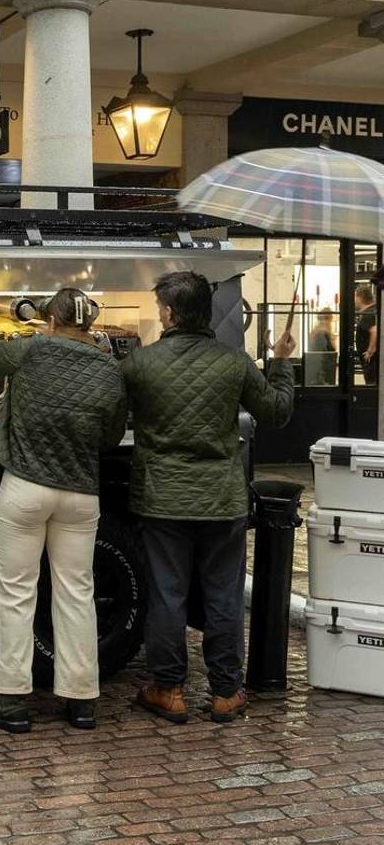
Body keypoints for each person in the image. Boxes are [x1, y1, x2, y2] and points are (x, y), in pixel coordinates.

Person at [122, 271, 295, 726]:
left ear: (172, 313)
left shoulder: (140, 363)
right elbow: (276, 412)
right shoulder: (233, 362)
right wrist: (281, 361)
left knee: (167, 595)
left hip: (162, 499)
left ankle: (168, 689)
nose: (158, 312)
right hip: (222, 499)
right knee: (223, 596)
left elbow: (112, 417)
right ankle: (224, 692)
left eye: (161, 306)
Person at [0, 288, 128, 734]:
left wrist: (11, 333)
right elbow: (111, 437)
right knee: (77, 592)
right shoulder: (110, 369)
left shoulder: (33, 349)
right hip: (80, 494)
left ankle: (11, 700)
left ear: (51, 321)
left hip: (25, 487)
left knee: (16, 592)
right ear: (90, 326)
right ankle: (81, 702)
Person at [306, 308, 337, 387]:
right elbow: (320, 355)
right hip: (321, 373)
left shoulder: (322, 331)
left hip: (324, 369)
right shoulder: (321, 333)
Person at [356, 284, 378, 385]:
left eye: (355, 297)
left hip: (370, 359)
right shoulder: (373, 310)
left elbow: (374, 330)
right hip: (372, 359)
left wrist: (370, 351)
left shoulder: (367, 314)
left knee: (371, 383)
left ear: (360, 297)